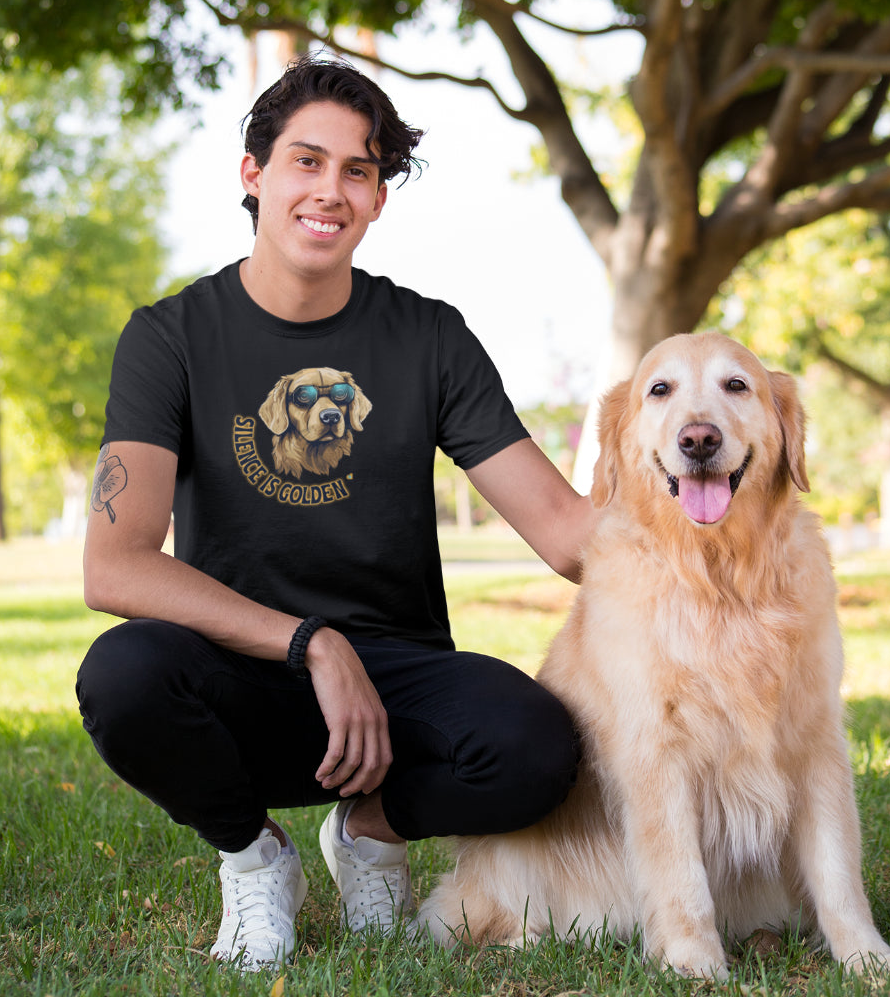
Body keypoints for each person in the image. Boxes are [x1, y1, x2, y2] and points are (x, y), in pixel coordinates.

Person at [76, 56, 594, 972]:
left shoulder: (428, 336)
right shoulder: (170, 338)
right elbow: (114, 566)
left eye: (359, 170)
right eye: (306, 162)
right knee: (123, 675)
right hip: (239, 667)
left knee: (538, 748)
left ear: (380, 197)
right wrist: (313, 641)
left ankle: (370, 829)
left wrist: (710, 498)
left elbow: (564, 531)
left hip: (396, 687)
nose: (332, 190)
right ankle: (255, 856)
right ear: (254, 174)